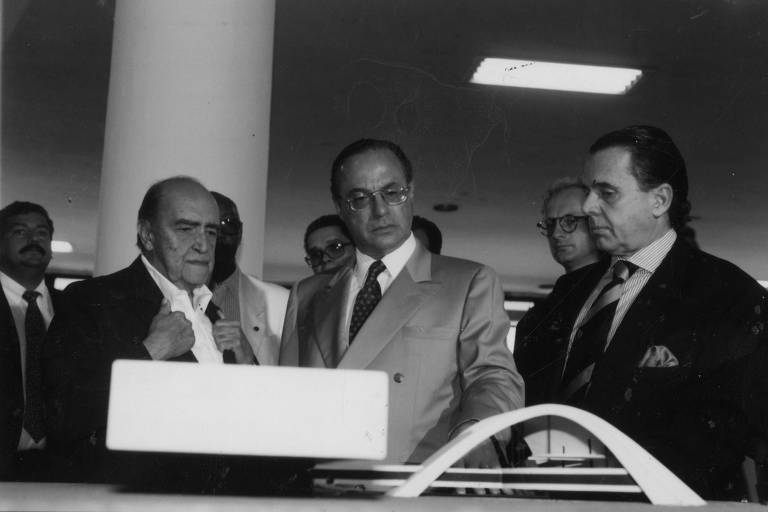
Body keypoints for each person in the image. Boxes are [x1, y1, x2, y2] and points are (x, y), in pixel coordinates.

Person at [522, 125, 768, 500]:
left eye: (606, 193)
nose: (588, 206)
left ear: (660, 200)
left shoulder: (728, 296)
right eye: (589, 191)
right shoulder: (569, 293)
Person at [280, 139, 523, 466]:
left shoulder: (468, 282)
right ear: (340, 207)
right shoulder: (307, 294)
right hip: (323, 491)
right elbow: (288, 400)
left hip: (418, 488)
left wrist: (477, 435)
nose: (380, 211)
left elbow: (492, 376)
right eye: (360, 198)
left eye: (392, 193)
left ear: (411, 192)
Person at [42, 176, 257, 486]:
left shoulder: (215, 312)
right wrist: (150, 352)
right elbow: (63, 415)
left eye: (211, 231)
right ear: (147, 234)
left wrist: (249, 365)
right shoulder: (91, 300)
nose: (203, 243)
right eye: (185, 229)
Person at [514, 179, 603, 402]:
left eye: (570, 221)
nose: (556, 233)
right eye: (550, 223)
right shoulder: (537, 317)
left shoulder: (620, 295)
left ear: (597, 221)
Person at [0, 201, 60, 480]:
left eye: (42, 233)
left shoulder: (74, 309)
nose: (34, 240)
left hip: (62, 467)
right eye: (20, 232)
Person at [209, 191, 289, 365]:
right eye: (210, 226)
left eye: (227, 223)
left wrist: (249, 361)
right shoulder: (166, 298)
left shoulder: (282, 303)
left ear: (240, 231)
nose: (219, 233)